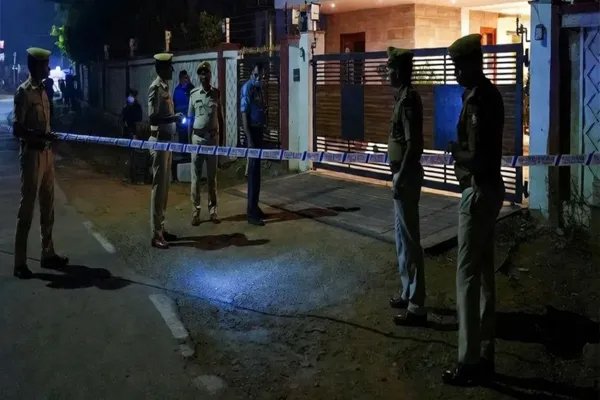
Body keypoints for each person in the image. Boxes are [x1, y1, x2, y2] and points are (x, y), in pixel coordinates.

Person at [442, 34, 505, 386]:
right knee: (483, 275)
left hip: (478, 192)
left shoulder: (480, 100)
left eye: (458, 67)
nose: (455, 74)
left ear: (472, 63)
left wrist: (455, 151)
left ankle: (468, 362)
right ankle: (485, 353)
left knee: (467, 276)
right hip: (490, 191)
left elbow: (479, 158)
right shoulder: (487, 94)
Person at [12, 47, 69, 279]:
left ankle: (48, 253)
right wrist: (39, 136)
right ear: (35, 66)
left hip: (46, 154)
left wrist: (49, 137)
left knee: (48, 206)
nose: (48, 68)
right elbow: (17, 129)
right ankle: (20, 262)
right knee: (27, 209)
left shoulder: (44, 91)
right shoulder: (24, 93)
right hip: (32, 156)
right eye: (45, 64)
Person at [385, 47, 427, 327]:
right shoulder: (401, 98)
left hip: (406, 175)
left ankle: (417, 305)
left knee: (410, 240)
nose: (387, 73)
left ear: (399, 71)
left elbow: (413, 144)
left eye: (389, 69)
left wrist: (400, 177)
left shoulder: (408, 100)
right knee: (401, 238)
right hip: (400, 174)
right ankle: (407, 291)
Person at [148, 53, 184, 249]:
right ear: (161, 68)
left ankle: (161, 228)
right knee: (158, 188)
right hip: (159, 142)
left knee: (165, 188)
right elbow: (152, 118)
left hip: (167, 142)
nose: (171, 70)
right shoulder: (155, 88)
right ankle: (156, 234)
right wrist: (173, 118)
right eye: (169, 67)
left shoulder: (165, 87)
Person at [188, 62, 223, 226]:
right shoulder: (193, 94)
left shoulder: (216, 93)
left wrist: (221, 143)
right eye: (201, 74)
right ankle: (195, 212)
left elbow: (220, 118)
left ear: (210, 75)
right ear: (199, 76)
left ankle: (213, 211)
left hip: (212, 140)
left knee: (212, 178)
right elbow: (189, 120)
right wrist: (189, 143)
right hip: (197, 140)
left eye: (206, 73)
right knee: (195, 179)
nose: (204, 76)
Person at [240, 62, 267, 226]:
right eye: (256, 75)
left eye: (261, 76)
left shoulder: (259, 89)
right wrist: (249, 138)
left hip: (259, 131)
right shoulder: (248, 88)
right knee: (252, 174)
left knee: (257, 173)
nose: (259, 78)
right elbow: (244, 114)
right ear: (251, 74)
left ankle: (255, 207)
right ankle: (251, 213)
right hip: (252, 133)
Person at [172, 70, 194, 182]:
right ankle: (184, 158)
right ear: (180, 79)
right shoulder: (177, 91)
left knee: (192, 139)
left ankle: (191, 157)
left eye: (187, 78)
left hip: (191, 119)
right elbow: (174, 105)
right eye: (184, 78)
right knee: (183, 139)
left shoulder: (191, 89)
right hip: (181, 121)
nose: (186, 80)